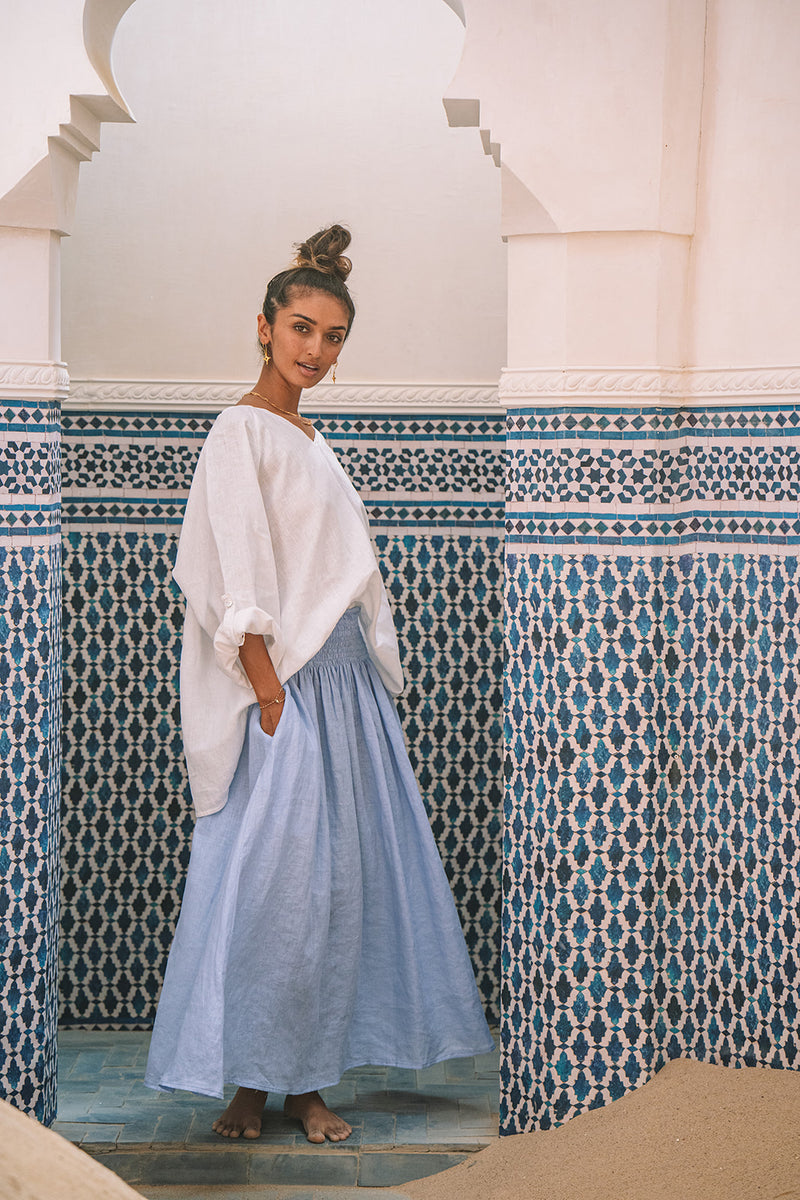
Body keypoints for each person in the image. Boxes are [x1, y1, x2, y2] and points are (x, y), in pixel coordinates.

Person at [144, 225, 494, 1142]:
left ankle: (306, 1085)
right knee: (274, 895)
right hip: (286, 690)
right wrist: (268, 697)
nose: (316, 349)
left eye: (333, 337)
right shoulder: (239, 432)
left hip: (344, 689)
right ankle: (249, 1083)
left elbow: (336, 573)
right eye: (301, 328)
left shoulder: (310, 438)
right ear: (263, 326)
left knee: (335, 894)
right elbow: (237, 575)